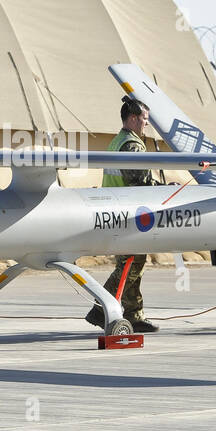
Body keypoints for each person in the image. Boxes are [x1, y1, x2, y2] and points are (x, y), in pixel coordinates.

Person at [86, 96, 160, 334]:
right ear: (132, 118)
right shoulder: (132, 145)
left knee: (130, 265)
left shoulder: (117, 141)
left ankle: (133, 314)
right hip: (130, 213)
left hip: (114, 210)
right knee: (131, 264)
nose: (146, 124)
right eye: (144, 119)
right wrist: (164, 187)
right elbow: (138, 182)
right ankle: (101, 308)